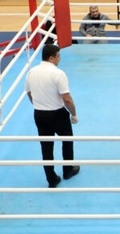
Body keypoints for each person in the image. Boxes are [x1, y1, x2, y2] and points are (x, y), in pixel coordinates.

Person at [25, 44, 80, 188]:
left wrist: (38, 105)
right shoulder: (58, 74)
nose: (59, 59)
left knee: (46, 146)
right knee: (67, 141)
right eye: (58, 56)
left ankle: (51, 179)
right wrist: (74, 114)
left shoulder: (31, 72)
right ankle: (68, 170)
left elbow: (29, 93)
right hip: (57, 114)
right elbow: (67, 99)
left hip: (39, 114)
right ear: (51, 58)